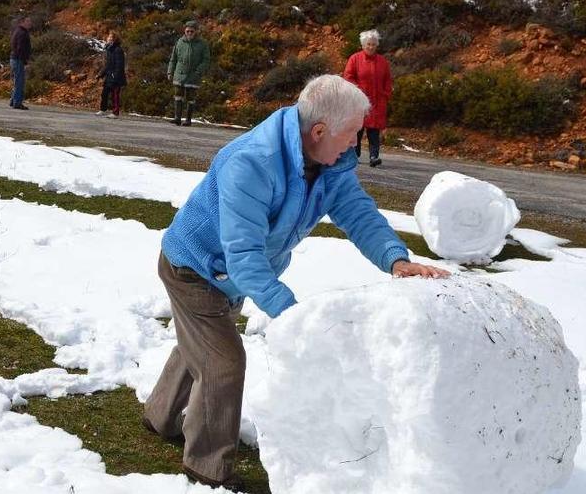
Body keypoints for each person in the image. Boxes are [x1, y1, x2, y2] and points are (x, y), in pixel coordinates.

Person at [143, 75, 449, 491]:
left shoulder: (332, 162)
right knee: (223, 364)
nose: (353, 144)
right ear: (319, 130)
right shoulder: (250, 163)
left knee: (199, 344)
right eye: (350, 134)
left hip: (232, 276)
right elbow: (243, 254)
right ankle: (207, 467)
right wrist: (293, 314)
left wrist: (396, 260)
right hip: (196, 267)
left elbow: (357, 212)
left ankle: (158, 416)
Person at [343, 29, 392, 167]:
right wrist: (357, 91)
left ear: (376, 45)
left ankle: (373, 156)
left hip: (377, 102)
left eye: (373, 44)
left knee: (374, 131)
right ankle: (354, 155)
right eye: (368, 44)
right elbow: (348, 77)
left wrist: (386, 94)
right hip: (359, 101)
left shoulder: (383, 62)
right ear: (363, 45)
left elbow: (388, 80)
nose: (371, 47)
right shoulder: (354, 59)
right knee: (357, 130)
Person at [167, 20, 210, 127]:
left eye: (192, 31)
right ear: (184, 31)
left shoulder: (202, 44)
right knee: (178, 95)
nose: (189, 33)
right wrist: (170, 72)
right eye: (187, 31)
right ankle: (177, 118)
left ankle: (188, 120)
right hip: (179, 73)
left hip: (193, 75)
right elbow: (173, 58)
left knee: (191, 98)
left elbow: (206, 60)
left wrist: (199, 71)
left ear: (196, 32)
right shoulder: (180, 42)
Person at [96, 31, 126, 118]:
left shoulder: (118, 50)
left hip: (116, 77)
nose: (108, 38)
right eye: (108, 37)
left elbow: (119, 65)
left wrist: (115, 75)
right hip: (109, 75)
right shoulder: (109, 50)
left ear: (114, 39)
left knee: (115, 95)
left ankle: (115, 113)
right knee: (104, 93)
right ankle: (103, 109)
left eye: (110, 37)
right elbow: (107, 65)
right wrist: (100, 74)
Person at [9, 16, 32, 110]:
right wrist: (25, 61)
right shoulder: (22, 33)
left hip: (15, 59)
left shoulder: (18, 31)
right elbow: (20, 49)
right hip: (18, 60)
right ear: (22, 22)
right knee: (19, 82)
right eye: (28, 21)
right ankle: (17, 103)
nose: (30, 23)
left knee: (16, 80)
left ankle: (13, 100)